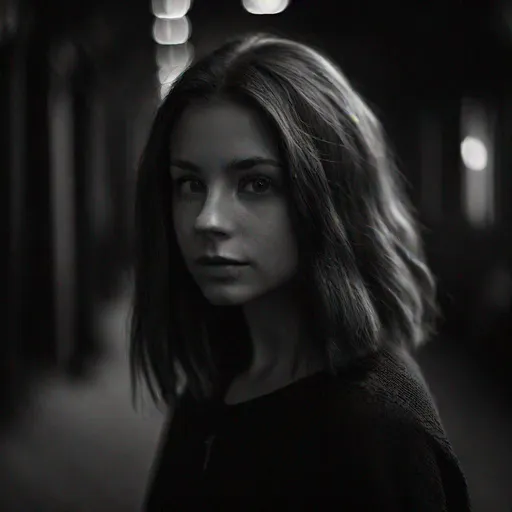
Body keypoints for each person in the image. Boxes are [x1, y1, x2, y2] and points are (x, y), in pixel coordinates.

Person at [129, 32, 472, 508]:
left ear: (330, 195)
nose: (207, 219)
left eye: (255, 183)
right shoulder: (219, 377)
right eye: (189, 183)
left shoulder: (375, 428)